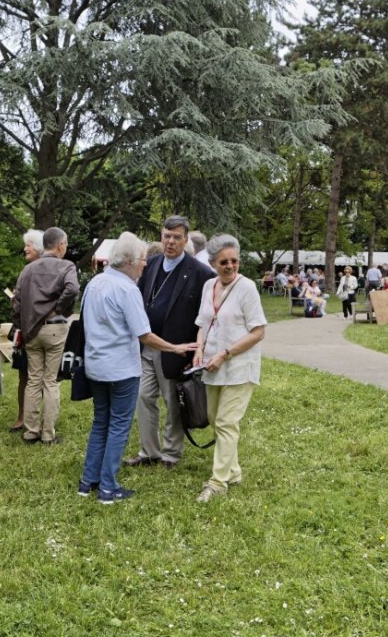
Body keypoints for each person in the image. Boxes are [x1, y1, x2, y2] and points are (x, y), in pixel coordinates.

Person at [78, 233, 201, 504]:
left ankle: (88, 481)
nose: (146, 265)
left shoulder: (95, 283)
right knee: (119, 427)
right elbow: (144, 334)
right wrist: (176, 348)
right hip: (121, 369)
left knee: (101, 423)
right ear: (131, 261)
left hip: (96, 365)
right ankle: (108, 487)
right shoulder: (127, 289)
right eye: (143, 260)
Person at [125, 216, 215, 469]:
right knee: (143, 398)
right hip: (147, 346)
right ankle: (149, 452)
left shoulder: (200, 273)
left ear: (186, 240)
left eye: (177, 237)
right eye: (167, 236)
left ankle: (171, 454)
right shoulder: (151, 264)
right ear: (160, 237)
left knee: (173, 402)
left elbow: (205, 316)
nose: (171, 242)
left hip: (176, 350)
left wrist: (199, 349)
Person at [192, 234, 267, 502]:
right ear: (212, 263)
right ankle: (233, 471)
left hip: (239, 366)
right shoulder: (208, 285)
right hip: (211, 365)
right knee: (214, 418)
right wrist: (200, 348)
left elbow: (258, 331)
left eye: (235, 261)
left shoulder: (246, 288)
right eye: (224, 262)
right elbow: (202, 323)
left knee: (226, 421)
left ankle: (218, 482)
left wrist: (225, 354)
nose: (231, 266)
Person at [12, 227, 80, 444]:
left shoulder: (28, 269)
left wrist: (20, 324)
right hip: (54, 329)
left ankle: (30, 431)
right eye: (66, 244)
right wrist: (58, 309)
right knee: (50, 381)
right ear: (60, 244)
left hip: (32, 330)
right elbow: (73, 289)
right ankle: (48, 434)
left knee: (33, 380)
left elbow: (16, 302)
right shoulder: (66, 266)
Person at [10, 229, 45, 432]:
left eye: (29, 244)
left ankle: (36, 418)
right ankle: (22, 416)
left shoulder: (45, 270)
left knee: (41, 377)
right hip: (23, 329)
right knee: (24, 374)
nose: (25, 248)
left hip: (39, 330)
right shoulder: (25, 271)